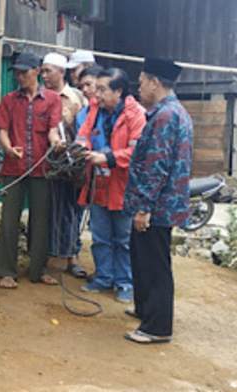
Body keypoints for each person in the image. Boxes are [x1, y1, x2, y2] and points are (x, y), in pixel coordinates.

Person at [123, 58, 193, 344]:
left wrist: (143, 208)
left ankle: (157, 327)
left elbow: (157, 167)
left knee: (155, 264)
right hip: (162, 203)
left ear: (155, 82)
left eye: (141, 82)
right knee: (143, 259)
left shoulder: (165, 116)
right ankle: (145, 309)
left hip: (157, 207)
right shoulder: (173, 112)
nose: (139, 88)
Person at [0, 52, 64, 289]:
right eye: (17, 72)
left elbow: (53, 129)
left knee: (41, 220)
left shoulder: (53, 99)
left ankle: (38, 270)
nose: (20, 76)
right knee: (9, 220)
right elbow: (1, 130)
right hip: (14, 168)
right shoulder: (9, 100)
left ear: (37, 71)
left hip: (42, 168)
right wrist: (8, 148)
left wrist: (55, 142)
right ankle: (6, 271)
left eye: (24, 72)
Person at [75, 68, 146, 303]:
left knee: (123, 239)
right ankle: (103, 277)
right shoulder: (95, 110)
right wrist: (83, 147)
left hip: (123, 186)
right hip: (98, 183)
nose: (97, 94)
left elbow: (138, 152)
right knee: (100, 236)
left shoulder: (136, 115)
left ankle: (125, 282)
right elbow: (83, 134)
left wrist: (108, 158)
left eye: (103, 89)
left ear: (119, 91)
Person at [40, 53, 88, 280]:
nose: (44, 75)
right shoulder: (41, 97)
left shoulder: (78, 97)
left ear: (61, 71)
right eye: (43, 71)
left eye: (48, 70)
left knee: (73, 211)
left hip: (75, 164)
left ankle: (72, 257)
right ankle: (49, 255)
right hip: (50, 163)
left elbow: (88, 127)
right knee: (51, 210)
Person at [75, 65, 104, 131]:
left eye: (88, 84)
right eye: (81, 87)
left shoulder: (113, 110)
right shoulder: (81, 116)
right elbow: (81, 139)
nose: (84, 90)